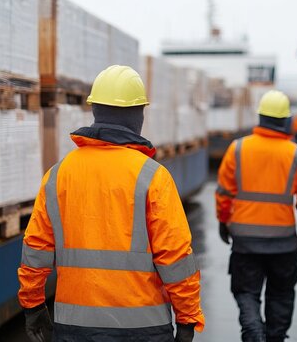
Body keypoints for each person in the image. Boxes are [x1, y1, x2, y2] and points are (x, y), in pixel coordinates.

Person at [18, 65, 205, 342]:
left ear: (95, 111)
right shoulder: (152, 177)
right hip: (143, 329)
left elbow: (36, 249)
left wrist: (33, 305)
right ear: (137, 115)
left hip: (73, 328)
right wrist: (187, 319)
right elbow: (175, 256)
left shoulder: (58, 175)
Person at [216, 90, 297, 342]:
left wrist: (223, 221)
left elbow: (224, 193)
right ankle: (274, 337)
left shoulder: (238, 149)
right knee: (281, 294)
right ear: (285, 120)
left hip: (246, 241)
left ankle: (253, 331)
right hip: (283, 242)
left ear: (260, 117)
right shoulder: (296, 155)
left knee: (246, 292)